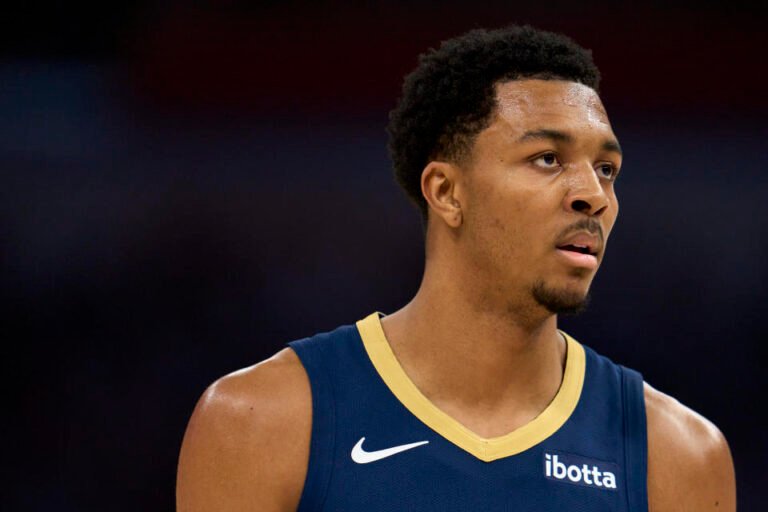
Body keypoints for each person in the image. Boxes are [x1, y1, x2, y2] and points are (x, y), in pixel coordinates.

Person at [176, 25, 736, 511]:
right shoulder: (261, 421)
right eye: (548, 159)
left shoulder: (679, 454)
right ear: (446, 191)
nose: (594, 195)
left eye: (607, 168)